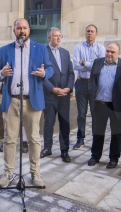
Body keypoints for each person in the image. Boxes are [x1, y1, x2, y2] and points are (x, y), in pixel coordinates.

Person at [0, 18, 53, 188]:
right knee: (9, 139)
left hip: (32, 101)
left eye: (25, 28)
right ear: (14, 31)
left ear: (29, 30)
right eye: (19, 28)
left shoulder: (40, 48)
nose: (22, 31)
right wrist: (1, 73)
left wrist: (43, 73)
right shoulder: (5, 50)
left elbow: (49, 68)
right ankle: (8, 172)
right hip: (11, 100)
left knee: (34, 139)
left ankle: (35, 173)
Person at [88, 42, 121, 169]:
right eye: (108, 51)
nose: (109, 54)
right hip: (99, 104)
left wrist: (120, 95)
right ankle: (95, 155)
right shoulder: (97, 62)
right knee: (97, 132)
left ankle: (114, 158)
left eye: (112, 52)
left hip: (116, 105)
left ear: (119, 53)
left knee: (116, 133)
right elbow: (93, 80)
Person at [40, 27, 75, 163]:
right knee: (49, 123)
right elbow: (41, 75)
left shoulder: (65, 53)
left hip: (64, 95)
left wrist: (68, 88)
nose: (59, 38)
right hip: (50, 95)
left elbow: (71, 73)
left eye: (60, 35)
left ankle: (64, 150)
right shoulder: (43, 52)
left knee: (64, 123)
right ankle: (47, 148)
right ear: (49, 38)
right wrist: (53, 89)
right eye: (55, 36)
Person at [72, 24, 105, 150]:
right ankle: (80, 139)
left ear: (96, 34)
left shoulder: (101, 49)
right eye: (87, 31)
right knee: (81, 114)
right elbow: (75, 65)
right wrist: (90, 64)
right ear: (85, 33)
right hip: (81, 83)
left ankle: (95, 141)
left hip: (94, 83)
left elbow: (99, 66)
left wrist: (84, 62)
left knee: (95, 114)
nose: (89, 33)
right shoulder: (78, 47)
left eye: (92, 31)